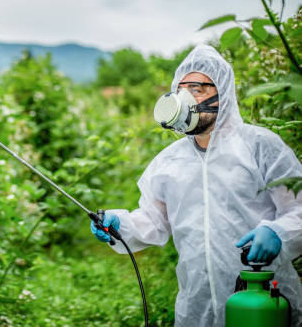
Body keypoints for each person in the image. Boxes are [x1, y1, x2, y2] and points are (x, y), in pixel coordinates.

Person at [90, 45, 302, 326]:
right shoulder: (169, 163)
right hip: (196, 309)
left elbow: (299, 210)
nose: (187, 98)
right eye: (182, 90)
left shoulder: (260, 147)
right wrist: (120, 223)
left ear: (223, 94)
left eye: (198, 89)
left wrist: (278, 232)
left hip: (266, 303)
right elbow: (154, 221)